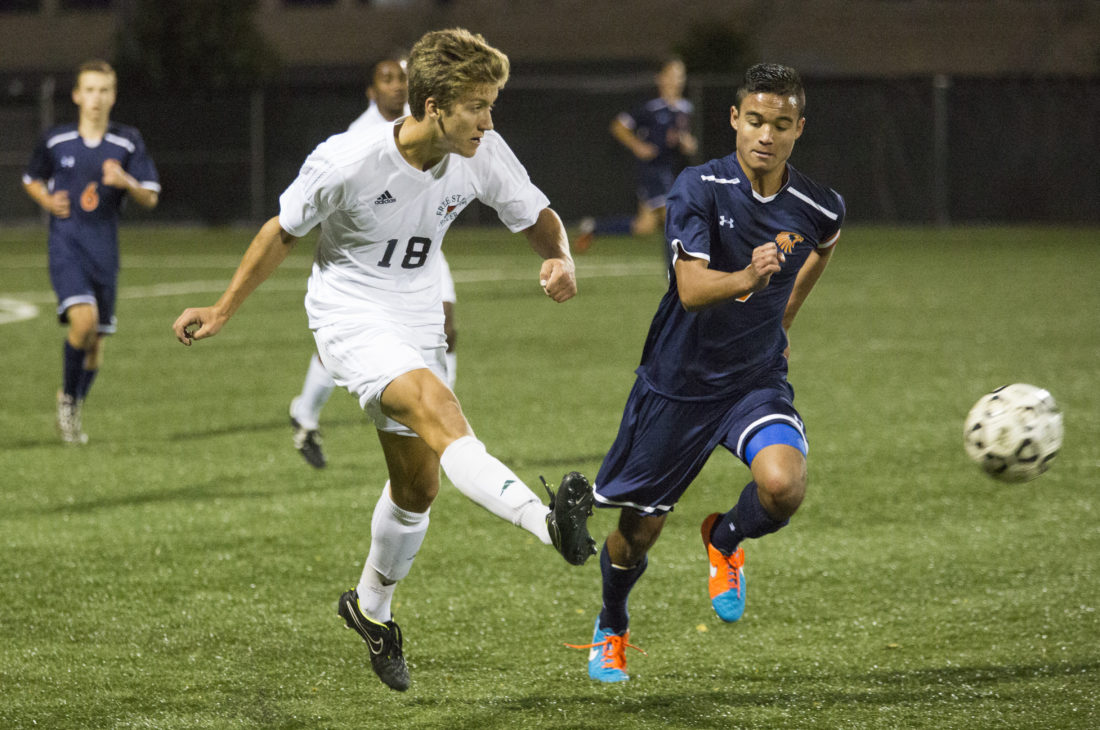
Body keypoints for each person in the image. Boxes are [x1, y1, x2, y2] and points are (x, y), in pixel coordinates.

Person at [171, 28, 596, 692]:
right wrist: (223, 309)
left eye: (490, 106)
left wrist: (560, 256)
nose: (488, 121)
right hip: (349, 312)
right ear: (431, 105)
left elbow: (535, 213)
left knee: (417, 487)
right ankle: (549, 526)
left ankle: (370, 609)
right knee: (438, 407)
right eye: (476, 107)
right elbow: (281, 232)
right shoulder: (348, 160)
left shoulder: (480, 150)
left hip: (417, 314)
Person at [567, 64, 845, 682]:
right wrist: (750, 276)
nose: (765, 135)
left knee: (784, 486)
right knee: (636, 535)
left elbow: (825, 244)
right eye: (755, 121)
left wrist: (784, 321)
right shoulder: (698, 186)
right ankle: (612, 623)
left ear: (799, 128)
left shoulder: (818, 205)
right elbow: (691, 290)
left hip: (753, 380)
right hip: (679, 383)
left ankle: (724, 539)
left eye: (780, 125)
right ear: (734, 119)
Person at [289, 54, 462, 469]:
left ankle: (441, 422)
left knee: (446, 326)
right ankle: (305, 412)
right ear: (371, 91)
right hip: (372, 258)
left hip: (420, 247)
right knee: (350, 341)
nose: (397, 84)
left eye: (402, 77)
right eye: (387, 79)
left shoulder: (422, 122)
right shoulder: (359, 136)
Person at [22, 59, 160, 445]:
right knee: (83, 324)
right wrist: (47, 201)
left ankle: (73, 402)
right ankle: (68, 402)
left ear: (113, 96)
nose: (96, 98)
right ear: (77, 95)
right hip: (66, 245)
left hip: (104, 251)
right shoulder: (56, 140)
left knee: (95, 346)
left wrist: (126, 181)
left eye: (103, 90)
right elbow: (31, 178)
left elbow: (150, 196)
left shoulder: (127, 141)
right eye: (89, 90)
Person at [575, 56, 696, 253]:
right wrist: (637, 146)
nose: (677, 80)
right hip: (651, 170)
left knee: (644, 226)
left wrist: (688, 144)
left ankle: (594, 227)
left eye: (680, 75)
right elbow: (618, 126)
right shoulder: (650, 108)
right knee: (671, 216)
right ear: (660, 78)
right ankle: (675, 270)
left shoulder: (685, 108)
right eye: (672, 75)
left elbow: (683, 138)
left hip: (669, 170)